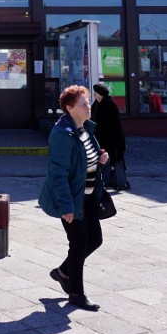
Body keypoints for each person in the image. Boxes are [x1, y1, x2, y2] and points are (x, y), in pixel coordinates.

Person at [38, 84, 109, 311]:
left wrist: (100, 159)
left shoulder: (85, 129)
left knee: (94, 239)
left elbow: (84, 159)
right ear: (69, 108)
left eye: (88, 102)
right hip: (71, 199)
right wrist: (66, 207)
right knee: (78, 244)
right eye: (83, 103)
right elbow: (58, 174)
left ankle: (63, 272)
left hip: (87, 197)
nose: (88, 106)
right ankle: (76, 293)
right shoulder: (62, 135)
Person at [91, 83, 128, 190]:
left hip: (111, 140)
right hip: (101, 139)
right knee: (103, 162)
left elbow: (116, 125)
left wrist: (116, 142)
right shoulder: (96, 104)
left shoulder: (109, 105)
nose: (94, 95)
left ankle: (118, 182)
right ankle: (106, 181)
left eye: (95, 93)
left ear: (100, 94)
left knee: (114, 162)